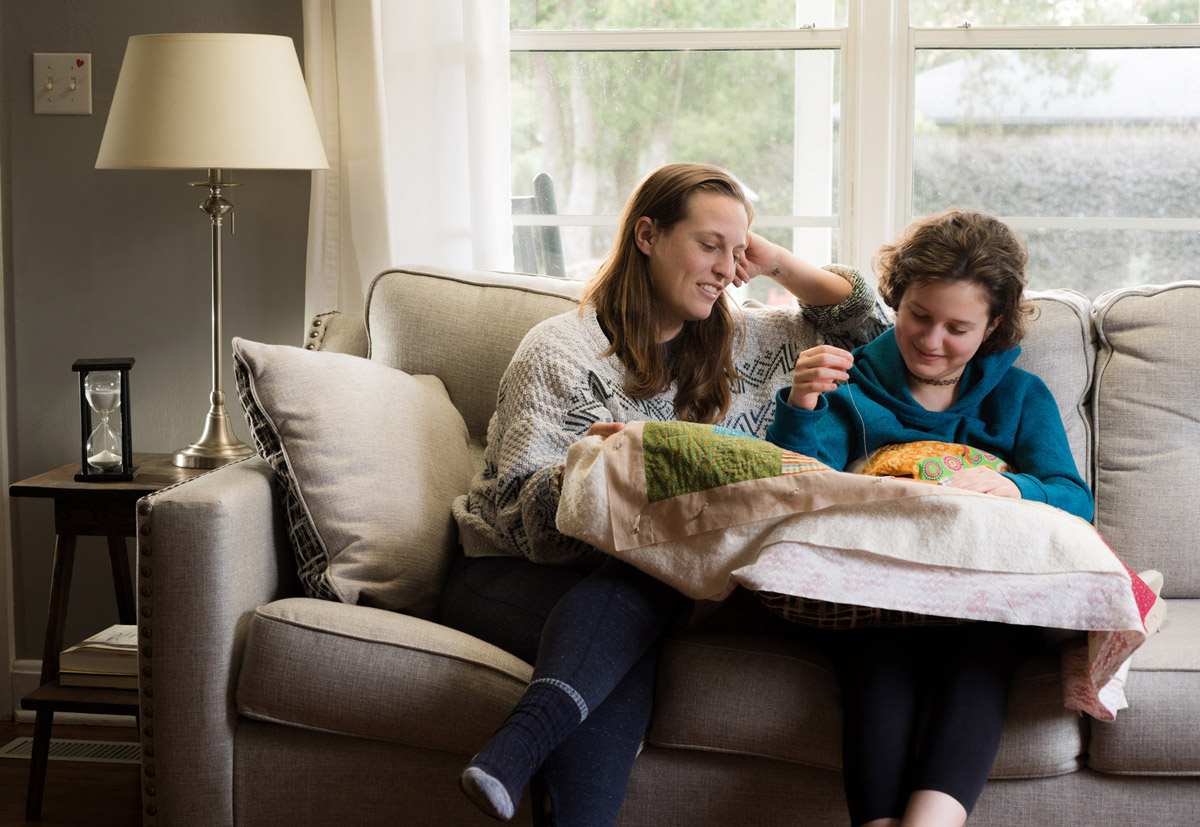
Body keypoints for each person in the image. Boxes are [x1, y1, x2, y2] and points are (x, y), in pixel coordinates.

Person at [439, 162, 889, 825]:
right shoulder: (563, 351)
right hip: (511, 573)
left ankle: (514, 751)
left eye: (737, 253)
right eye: (709, 244)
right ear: (647, 235)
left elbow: (879, 340)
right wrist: (609, 470)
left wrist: (770, 260)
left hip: (658, 584)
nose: (723, 267)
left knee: (649, 581)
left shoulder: (752, 341)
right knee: (641, 586)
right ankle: (523, 744)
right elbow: (519, 516)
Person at [764, 207, 1094, 827]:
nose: (932, 340)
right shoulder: (850, 383)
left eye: (958, 327)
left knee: (983, 653)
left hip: (981, 598)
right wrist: (803, 404)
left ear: (992, 325)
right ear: (897, 298)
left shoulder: (1019, 396)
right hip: (871, 597)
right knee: (878, 660)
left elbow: (1073, 497)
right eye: (918, 315)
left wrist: (1013, 488)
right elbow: (799, 496)